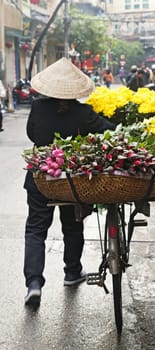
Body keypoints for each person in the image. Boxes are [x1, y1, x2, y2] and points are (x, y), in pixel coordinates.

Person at [23, 57, 115, 306]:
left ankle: (33, 283)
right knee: (72, 226)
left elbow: (32, 134)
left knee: (35, 229)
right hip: (71, 178)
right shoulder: (83, 113)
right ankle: (72, 272)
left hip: (41, 176)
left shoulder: (38, 107)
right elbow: (109, 132)